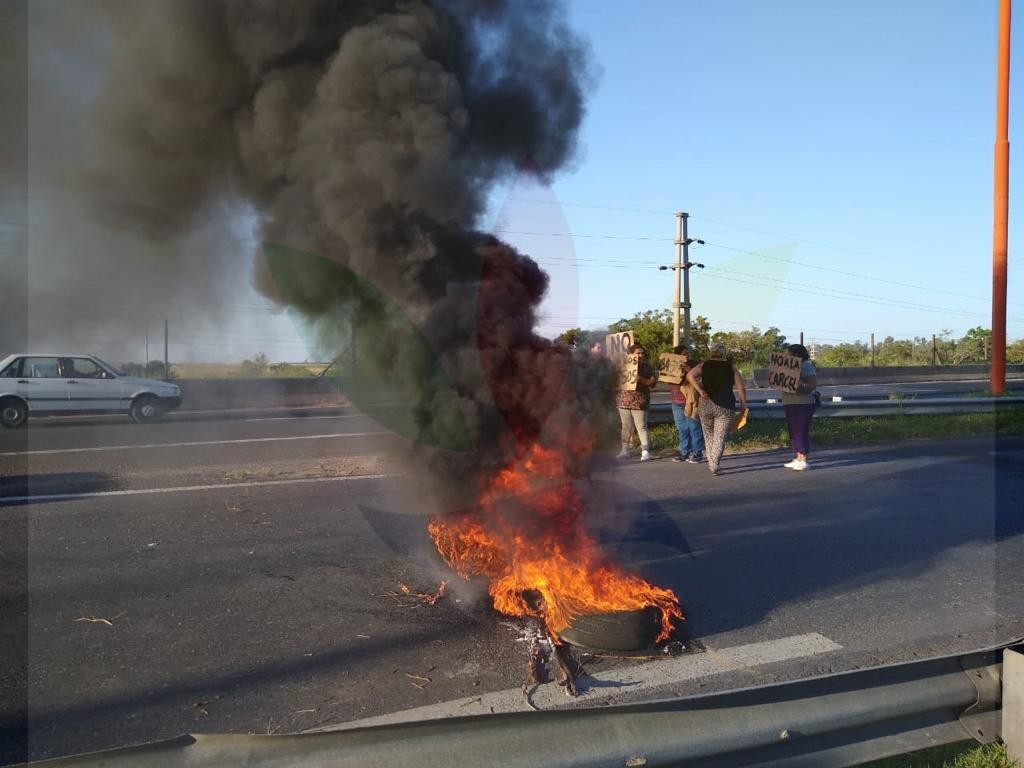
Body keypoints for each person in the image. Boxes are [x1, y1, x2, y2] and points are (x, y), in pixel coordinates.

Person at [686, 342, 748, 475]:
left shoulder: (703, 365)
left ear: (711, 353)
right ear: (723, 353)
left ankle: (712, 462)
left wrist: (700, 390)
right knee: (719, 436)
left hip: (705, 404)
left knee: (708, 435)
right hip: (725, 406)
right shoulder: (731, 367)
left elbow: (689, 376)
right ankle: (714, 464)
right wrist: (744, 404)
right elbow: (741, 387)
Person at [616, 343, 657, 461]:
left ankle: (645, 451)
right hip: (623, 401)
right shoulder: (622, 365)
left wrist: (641, 379)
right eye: (638, 353)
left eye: (642, 353)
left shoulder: (647, 367)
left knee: (641, 426)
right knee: (626, 427)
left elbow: (652, 383)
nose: (640, 355)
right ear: (630, 354)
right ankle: (624, 451)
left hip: (640, 402)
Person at [781, 343, 817, 471]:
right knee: (793, 431)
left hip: (803, 403)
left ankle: (804, 459)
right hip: (789, 402)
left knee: (801, 430)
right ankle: (798, 457)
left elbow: (812, 384)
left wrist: (801, 385)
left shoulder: (805, 365)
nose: (786, 355)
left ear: (796, 354)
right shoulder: (787, 366)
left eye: (788, 353)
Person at [668, 345, 704, 463]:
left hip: (691, 401)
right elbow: (667, 381)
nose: (687, 356)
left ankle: (697, 453)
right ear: (677, 355)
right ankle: (684, 452)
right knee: (682, 428)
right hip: (677, 401)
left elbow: (701, 380)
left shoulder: (694, 364)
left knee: (694, 427)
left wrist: (689, 370)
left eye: (688, 353)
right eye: (684, 354)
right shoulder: (671, 364)